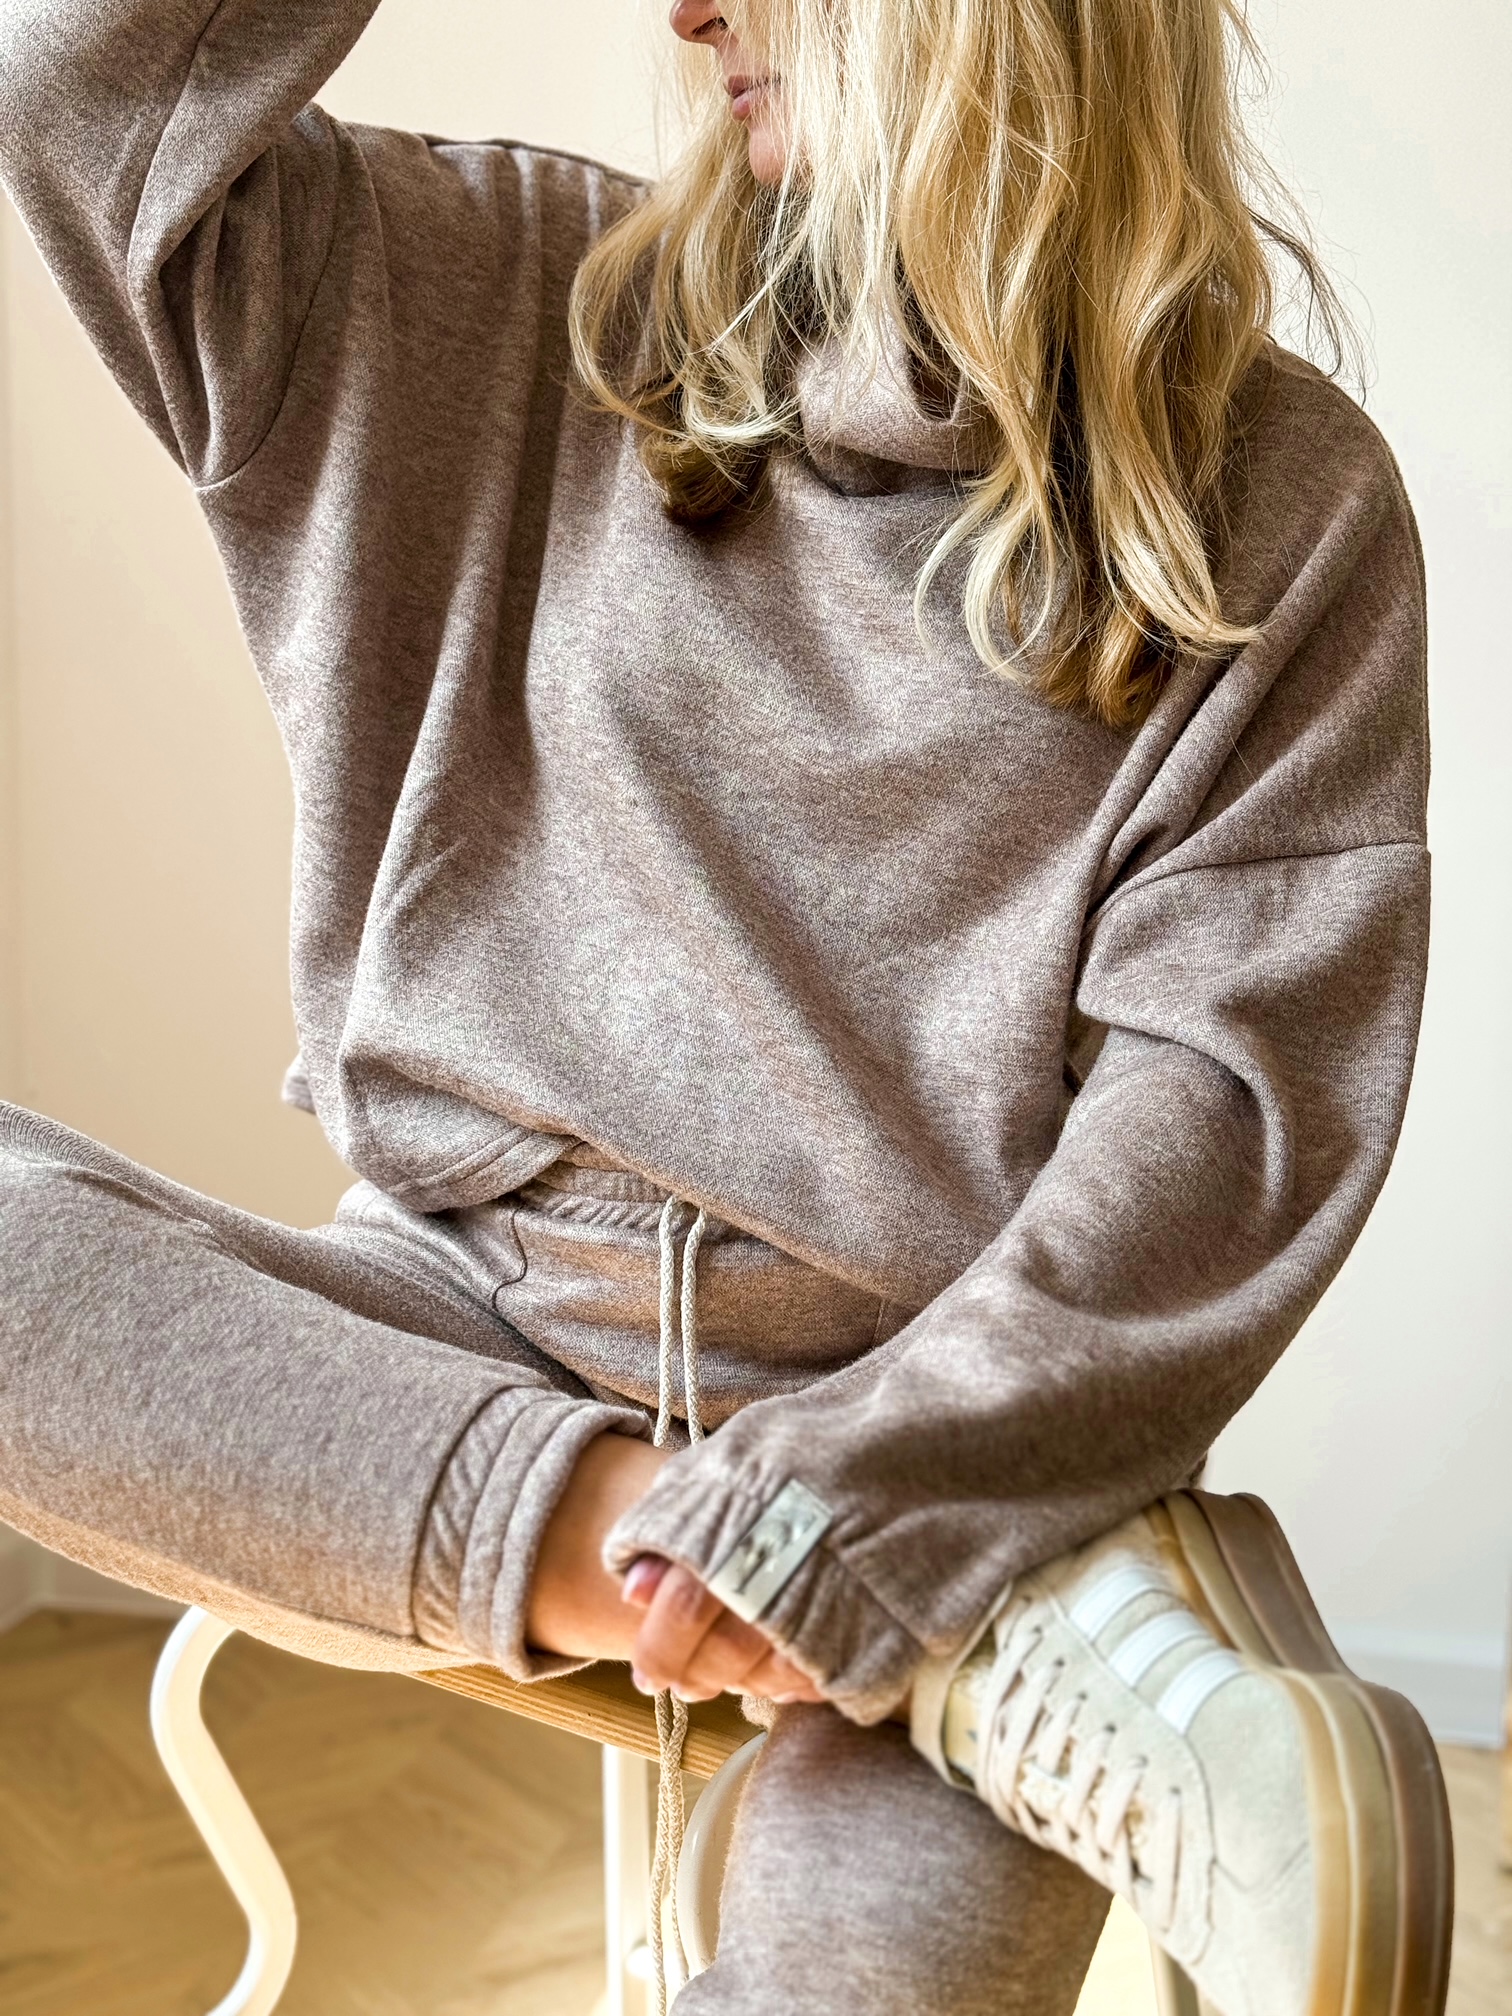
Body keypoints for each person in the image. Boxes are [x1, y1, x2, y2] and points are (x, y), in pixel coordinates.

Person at [0, 2, 1449, 2011]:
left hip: (938, 1444)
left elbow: (1226, 1118)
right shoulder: (497, 292)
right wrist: (681, 1533)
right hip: (468, 1358)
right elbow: (72, 94)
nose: (687, 10)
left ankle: (912, 1607)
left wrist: (878, 1494)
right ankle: (700, 1568)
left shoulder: (1288, 508)